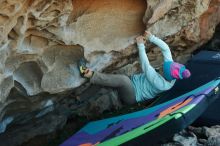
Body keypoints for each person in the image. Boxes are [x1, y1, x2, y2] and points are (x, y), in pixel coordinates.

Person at [78, 31, 191, 105]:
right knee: (108, 79)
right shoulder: (171, 69)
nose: (162, 67)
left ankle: (90, 74)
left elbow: (145, 66)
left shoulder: (162, 84)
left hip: (132, 96)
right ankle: (80, 98)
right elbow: (166, 49)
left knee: (123, 80)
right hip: (133, 82)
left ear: (166, 75)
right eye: (165, 65)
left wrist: (140, 45)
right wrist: (151, 37)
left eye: (163, 69)